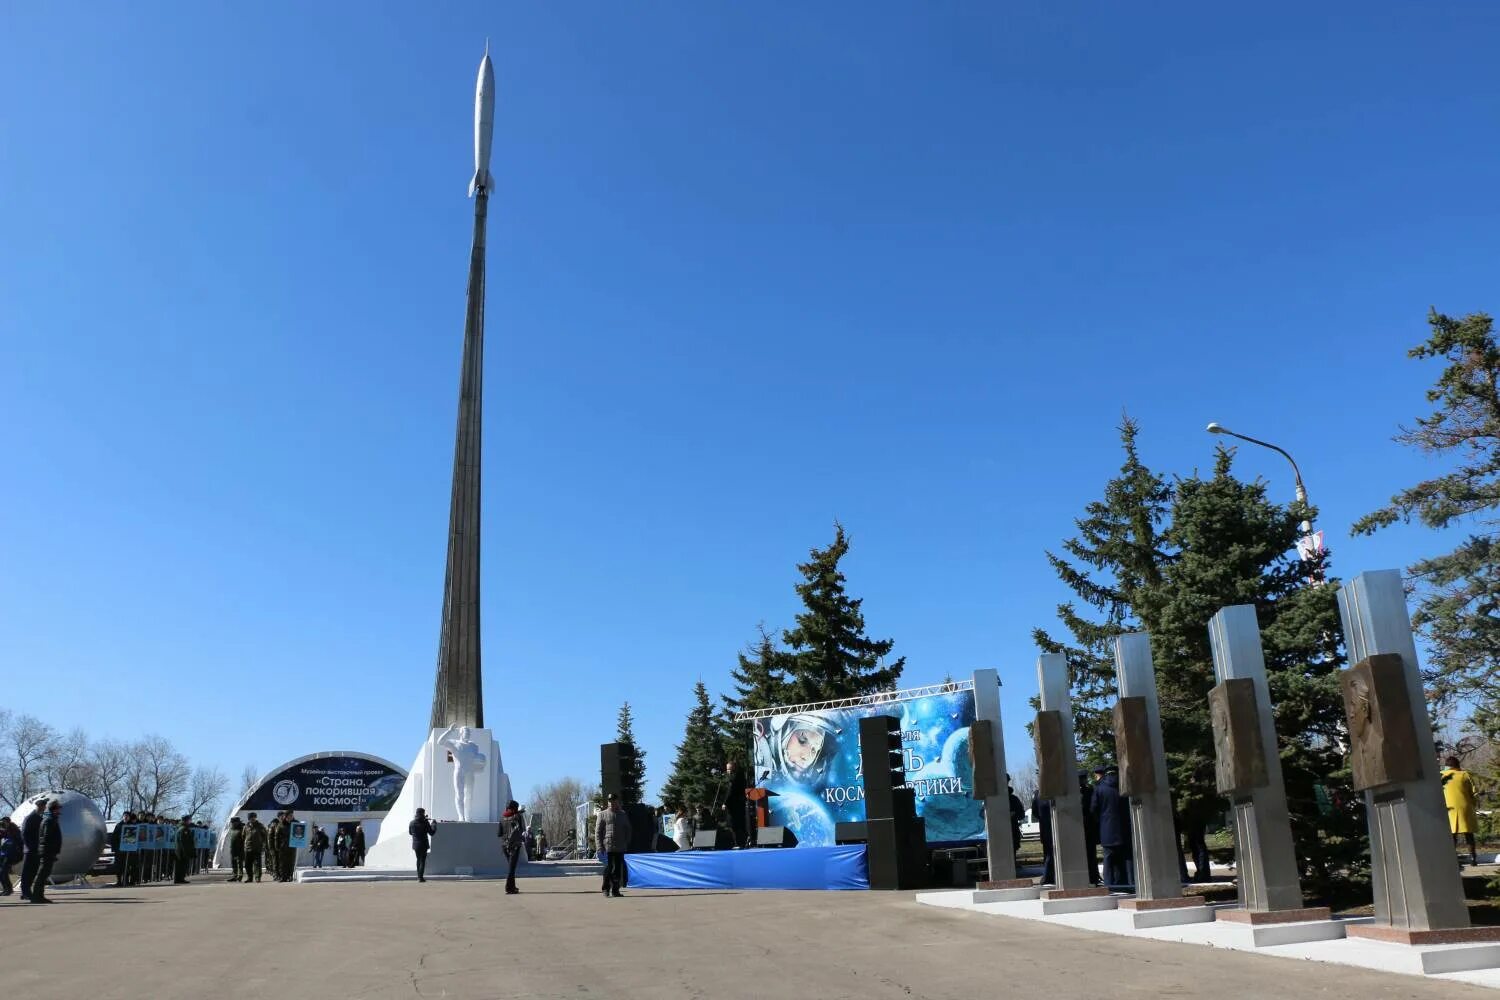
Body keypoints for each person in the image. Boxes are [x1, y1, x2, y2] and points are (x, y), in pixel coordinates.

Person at [1092, 766, 1132, 888]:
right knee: (1126, 859)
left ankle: (1109, 885)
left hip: (1107, 829)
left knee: (1108, 859)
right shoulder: (1124, 787)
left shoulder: (1099, 789)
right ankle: (1130, 884)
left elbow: (1094, 809)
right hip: (1124, 829)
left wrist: (1101, 821)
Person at [1442, 756, 1480, 867]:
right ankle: (1473, 858)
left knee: (1452, 835)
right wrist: (1473, 804)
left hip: (1449, 809)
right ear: (1457, 765)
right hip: (1465, 807)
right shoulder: (1465, 775)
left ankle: (1453, 860)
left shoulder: (1440, 776)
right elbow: (1474, 793)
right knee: (1469, 834)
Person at [596, 792, 632, 898]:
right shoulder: (602, 814)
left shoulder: (622, 814)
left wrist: (626, 841)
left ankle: (615, 890)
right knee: (609, 868)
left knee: (617, 869)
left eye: (614, 801)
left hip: (620, 846)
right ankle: (605, 888)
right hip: (608, 846)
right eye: (610, 801)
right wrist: (599, 846)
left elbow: (628, 829)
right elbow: (598, 832)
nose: (612, 803)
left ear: (617, 802)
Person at [31, 800, 63, 903]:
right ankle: (37, 896)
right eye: (58, 808)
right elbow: (46, 837)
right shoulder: (49, 820)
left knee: (44, 873)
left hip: (48, 851)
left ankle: (39, 895)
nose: (59, 811)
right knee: (43, 873)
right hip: (47, 851)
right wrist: (49, 850)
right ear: (54, 809)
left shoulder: (51, 819)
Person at [18, 796, 47, 902]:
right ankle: (25, 892)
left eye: (44, 806)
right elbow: (24, 833)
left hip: (36, 850)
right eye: (42, 806)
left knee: (33, 871)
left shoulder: (39, 818)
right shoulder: (30, 817)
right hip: (30, 850)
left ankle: (26, 892)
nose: (43, 808)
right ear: (38, 806)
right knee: (27, 872)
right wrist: (30, 847)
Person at [1081, 771, 1102, 885]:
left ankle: (1092, 876)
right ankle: (1093, 876)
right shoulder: (1090, 791)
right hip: (1089, 827)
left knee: (1090, 854)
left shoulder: (1087, 791)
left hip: (1085, 827)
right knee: (1091, 854)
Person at [500, 800, 525, 894]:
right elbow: (522, 829)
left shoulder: (502, 817)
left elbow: (499, 833)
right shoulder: (517, 816)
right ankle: (508, 887)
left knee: (511, 867)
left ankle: (512, 887)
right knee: (512, 868)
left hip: (504, 846)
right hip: (514, 845)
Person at [1032, 791, 1054, 885]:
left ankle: (1048, 876)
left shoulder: (1037, 794)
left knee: (1048, 853)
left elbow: (1035, 812)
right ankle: (1047, 876)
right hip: (1048, 827)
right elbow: (1035, 812)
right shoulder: (1041, 794)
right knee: (1049, 854)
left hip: (1045, 827)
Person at [409, 808, 436, 882]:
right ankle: (421, 878)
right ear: (422, 814)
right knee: (422, 861)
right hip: (423, 844)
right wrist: (433, 824)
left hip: (415, 845)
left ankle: (418, 877)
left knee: (418, 860)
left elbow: (410, 833)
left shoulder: (412, 822)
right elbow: (432, 833)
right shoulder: (425, 823)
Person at [243, 813, 267, 883]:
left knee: (257, 864)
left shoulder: (260, 826)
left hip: (257, 848)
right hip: (248, 848)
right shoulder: (246, 827)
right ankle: (249, 878)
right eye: (251, 818)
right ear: (249, 819)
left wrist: (263, 845)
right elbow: (243, 836)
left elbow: (265, 835)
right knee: (247, 864)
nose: (252, 819)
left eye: (254, 817)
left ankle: (257, 877)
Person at [0, 817, 20, 895]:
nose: (3, 824)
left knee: (3, 872)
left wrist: (6, 830)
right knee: (1, 873)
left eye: (4, 823)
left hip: (11, 854)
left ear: (9, 822)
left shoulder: (14, 830)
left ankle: (8, 889)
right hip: (3, 854)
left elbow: (17, 840)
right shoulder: (4, 831)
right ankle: (6, 889)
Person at [174, 816, 195, 884]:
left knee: (179, 865)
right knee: (182, 865)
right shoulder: (184, 829)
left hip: (179, 850)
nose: (190, 821)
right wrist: (186, 851)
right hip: (182, 850)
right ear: (186, 821)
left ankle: (179, 878)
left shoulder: (180, 828)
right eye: (189, 820)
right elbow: (184, 841)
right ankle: (180, 879)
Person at [227, 817, 245, 882]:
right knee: (233, 862)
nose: (233, 824)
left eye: (234, 822)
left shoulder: (242, 829)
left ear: (237, 822)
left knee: (239, 862)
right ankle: (235, 876)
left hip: (240, 848)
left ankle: (240, 876)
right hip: (233, 848)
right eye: (232, 823)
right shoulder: (232, 829)